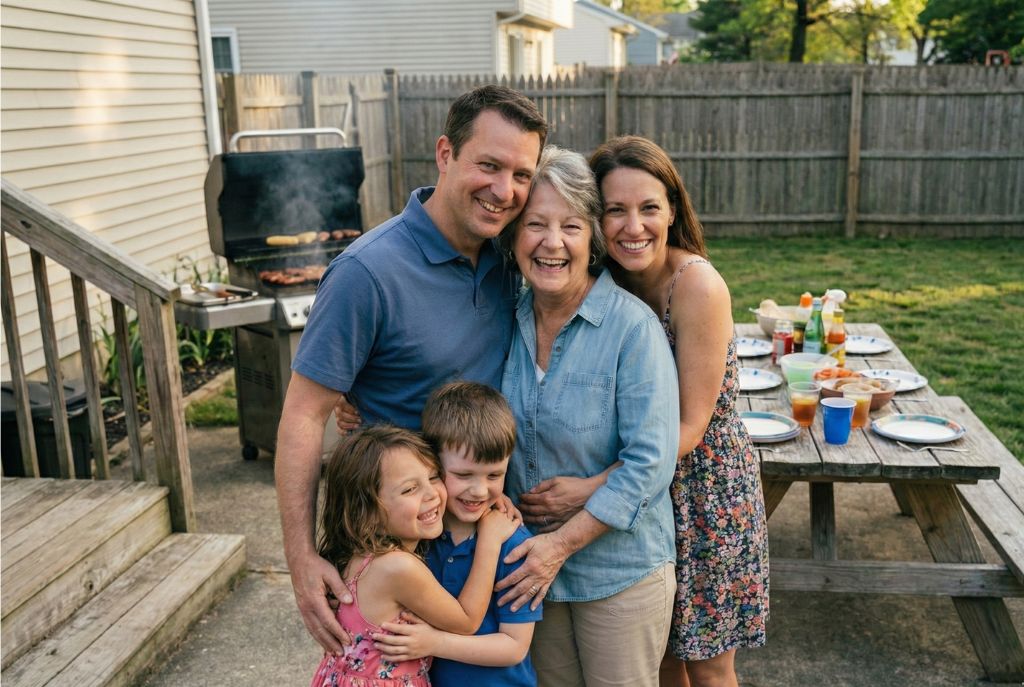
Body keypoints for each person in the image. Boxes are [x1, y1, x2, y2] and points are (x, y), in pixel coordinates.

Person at [275, 85, 547, 655]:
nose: (505, 191)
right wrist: (302, 560)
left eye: (522, 174)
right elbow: (303, 416)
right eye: (489, 166)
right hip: (402, 555)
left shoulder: (509, 257)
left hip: (484, 531)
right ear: (445, 154)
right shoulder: (365, 274)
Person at [492, 145, 681, 687]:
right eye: (535, 225)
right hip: (530, 572)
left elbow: (650, 463)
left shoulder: (632, 330)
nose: (552, 244)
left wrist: (559, 545)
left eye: (570, 226)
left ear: (592, 238)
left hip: (618, 571)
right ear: (514, 235)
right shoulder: (506, 320)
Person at [589, 136, 769, 687]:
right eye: (614, 210)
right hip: (644, 492)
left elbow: (689, 429)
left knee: (709, 668)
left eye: (648, 207)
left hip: (704, 492)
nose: (632, 226)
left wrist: (593, 488)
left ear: (672, 208)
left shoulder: (696, 286)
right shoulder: (602, 281)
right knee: (661, 660)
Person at [310, 424, 519, 686]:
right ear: (367, 511)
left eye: (433, 477)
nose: (431, 493)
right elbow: (466, 621)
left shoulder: (358, 554)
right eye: (410, 489)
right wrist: (489, 541)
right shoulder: (398, 567)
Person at [372, 381, 542, 686]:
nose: (479, 490)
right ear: (433, 466)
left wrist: (435, 642)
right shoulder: (418, 536)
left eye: (494, 475)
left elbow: (514, 647)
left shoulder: (513, 544)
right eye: (464, 475)